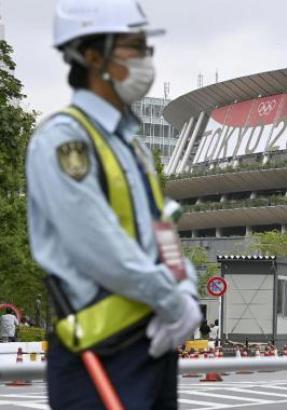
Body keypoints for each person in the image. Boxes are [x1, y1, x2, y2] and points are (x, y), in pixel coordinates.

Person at [26, 1, 201, 407]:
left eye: (145, 47)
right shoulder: (63, 141)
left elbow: (162, 230)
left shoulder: (132, 146)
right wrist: (174, 301)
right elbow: (101, 247)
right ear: (91, 56)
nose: (145, 59)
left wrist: (187, 290)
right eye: (133, 47)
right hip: (100, 351)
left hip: (155, 341)